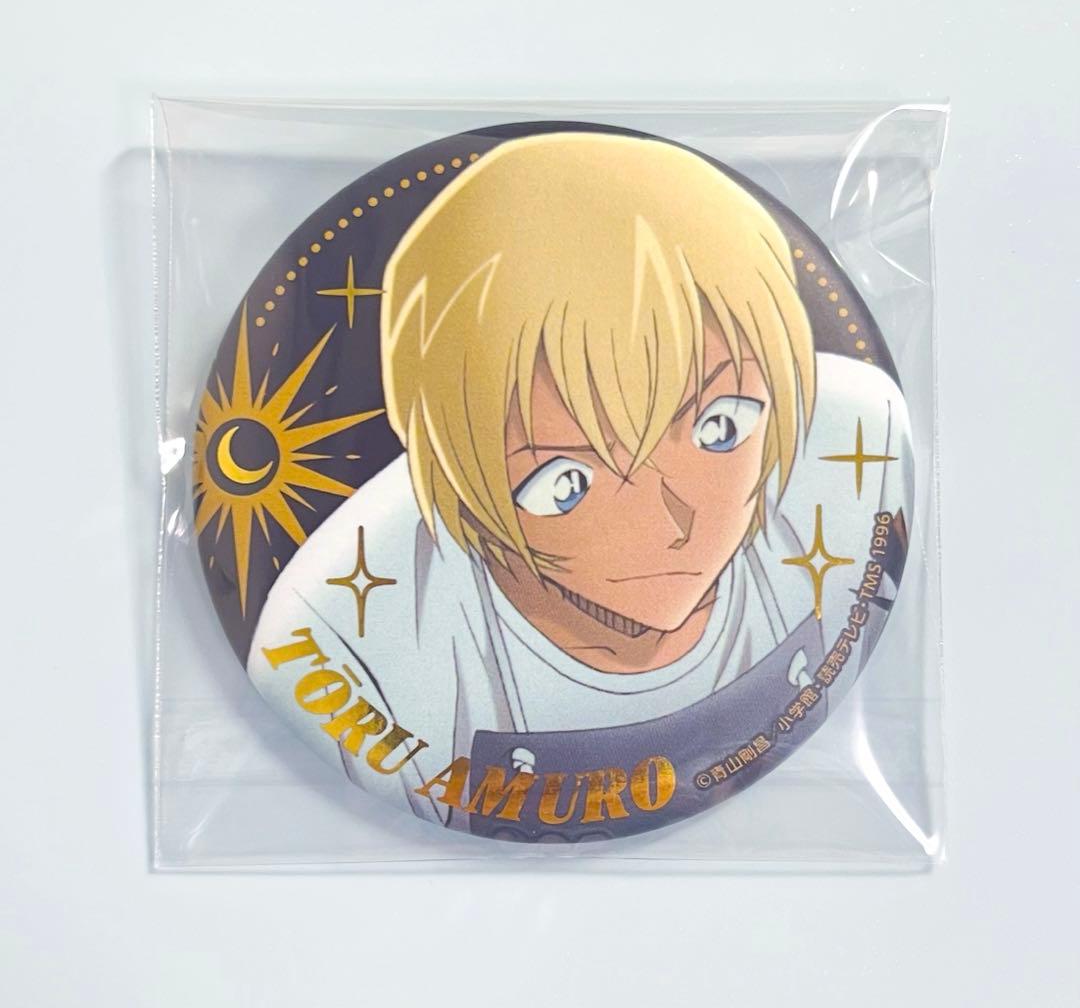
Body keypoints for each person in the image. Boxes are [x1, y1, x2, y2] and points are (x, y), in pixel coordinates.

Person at [249, 132, 912, 832]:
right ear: (459, 470)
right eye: (565, 482)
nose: (671, 523)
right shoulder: (337, 646)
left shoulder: (859, 451)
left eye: (721, 426)